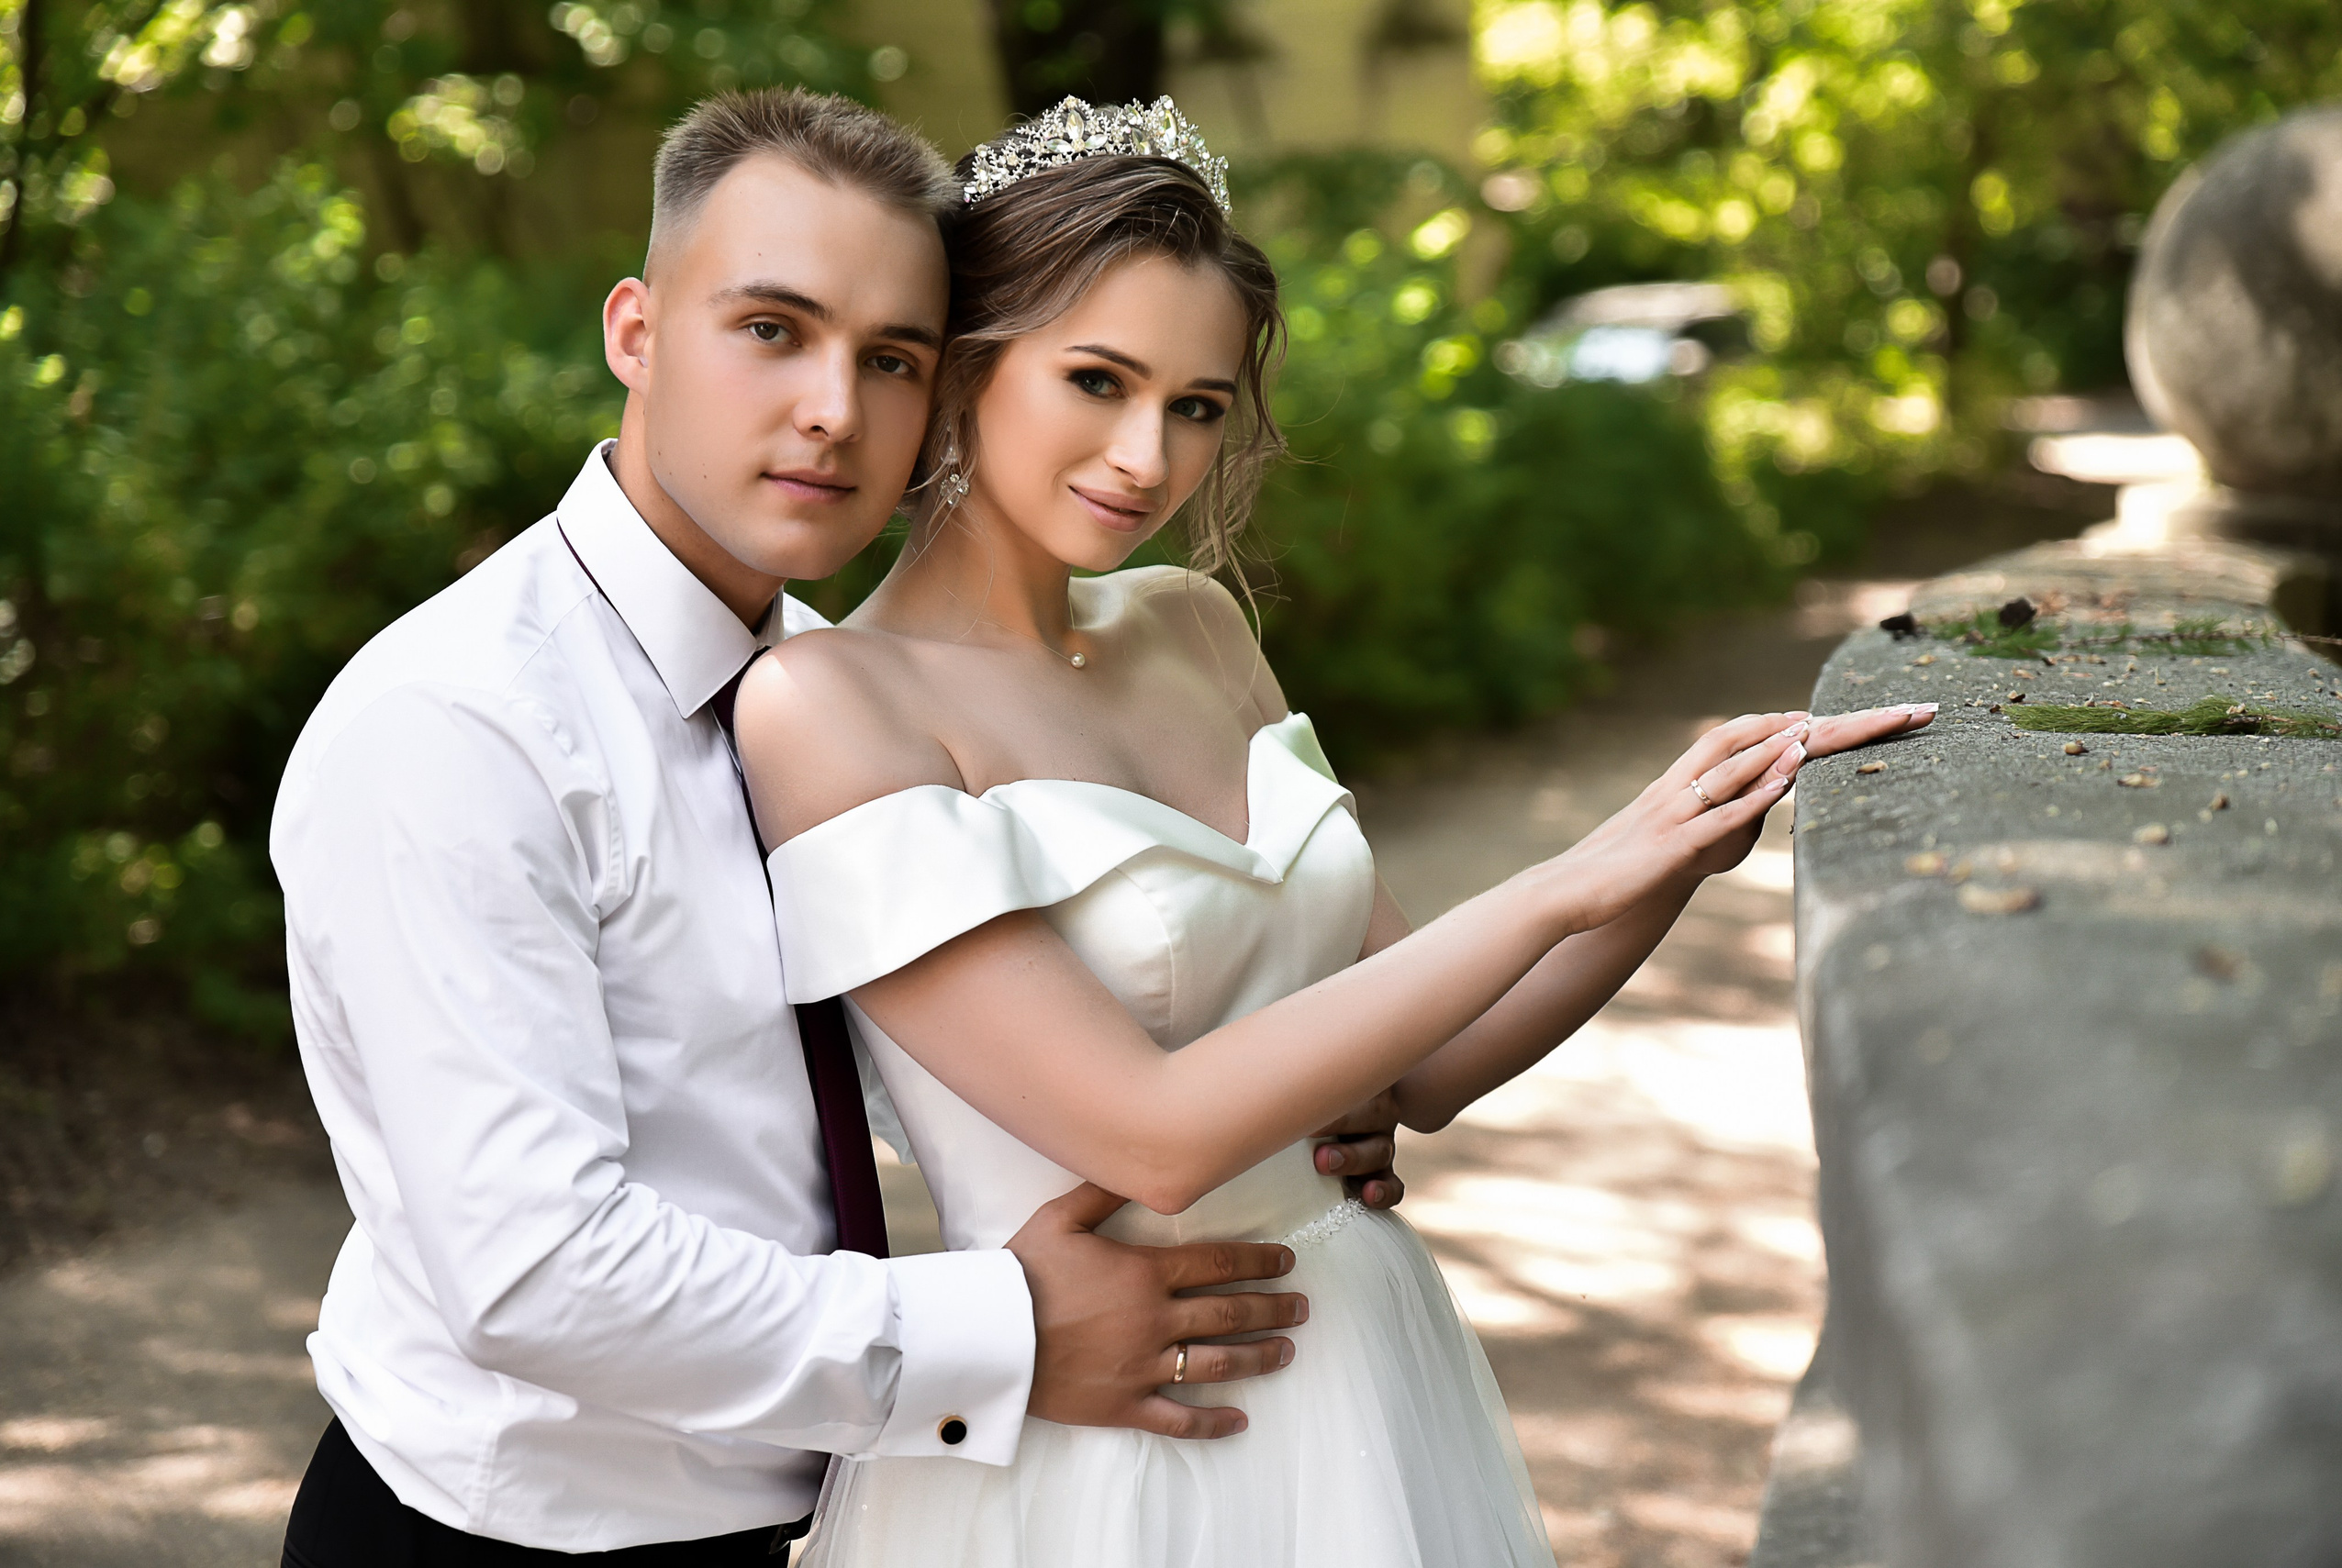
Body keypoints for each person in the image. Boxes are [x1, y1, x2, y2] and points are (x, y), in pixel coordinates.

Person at [732, 97, 1935, 1566]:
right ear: (974, 362)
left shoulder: (1195, 624)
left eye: (1196, 405)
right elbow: (1154, 1137)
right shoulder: (830, 701)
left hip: (1361, 1347)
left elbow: (1420, 1064)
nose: (1145, 456)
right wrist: (1563, 883)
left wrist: (1675, 848)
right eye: (1096, 380)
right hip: (1119, 1440)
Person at [270, 89, 1408, 1568]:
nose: (832, 408)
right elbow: (536, 1268)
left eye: (891, 359)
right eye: (770, 330)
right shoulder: (461, 725)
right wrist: (995, 1331)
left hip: (833, 1510)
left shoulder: (834, 688)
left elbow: (962, 1033)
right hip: (510, 1534)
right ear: (635, 329)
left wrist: (1291, 1072)